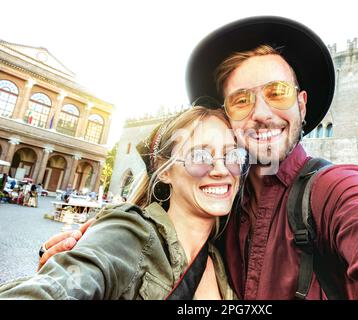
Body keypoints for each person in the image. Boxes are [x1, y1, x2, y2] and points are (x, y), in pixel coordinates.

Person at [38, 16, 358, 299]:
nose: (262, 113)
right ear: (227, 117)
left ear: (302, 105)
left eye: (277, 93)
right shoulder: (220, 203)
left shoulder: (332, 192)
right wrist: (96, 234)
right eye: (241, 99)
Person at [0, 106, 246, 299]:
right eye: (200, 155)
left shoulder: (223, 260)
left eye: (232, 155)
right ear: (164, 170)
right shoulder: (129, 231)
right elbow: (55, 288)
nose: (221, 169)